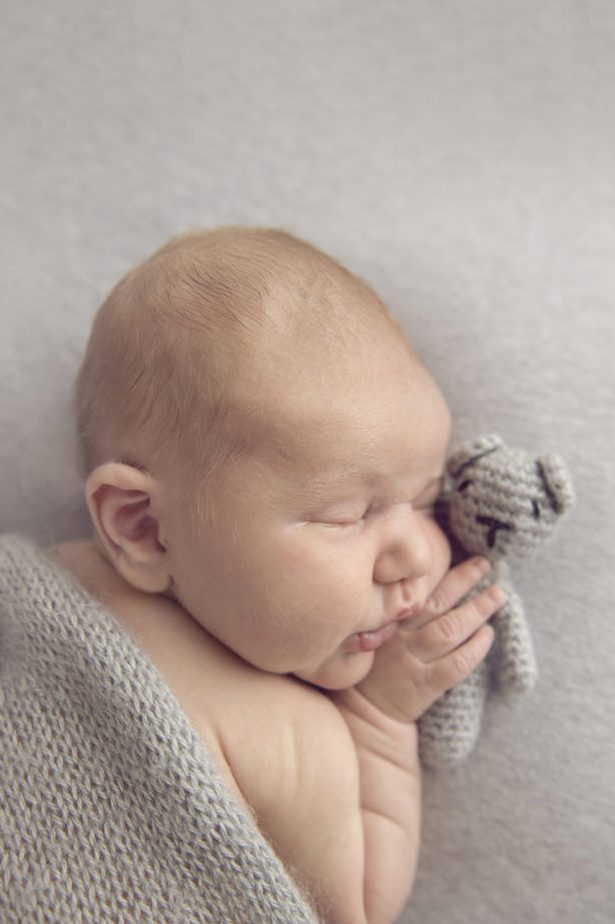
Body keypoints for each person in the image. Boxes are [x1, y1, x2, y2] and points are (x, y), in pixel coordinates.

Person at [47, 227, 502, 923]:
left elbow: (355, 905)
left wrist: (379, 715)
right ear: (143, 527)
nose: (416, 553)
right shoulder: (40, 595)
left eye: (424, 500)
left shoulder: (306, 741)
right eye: (348, 514)